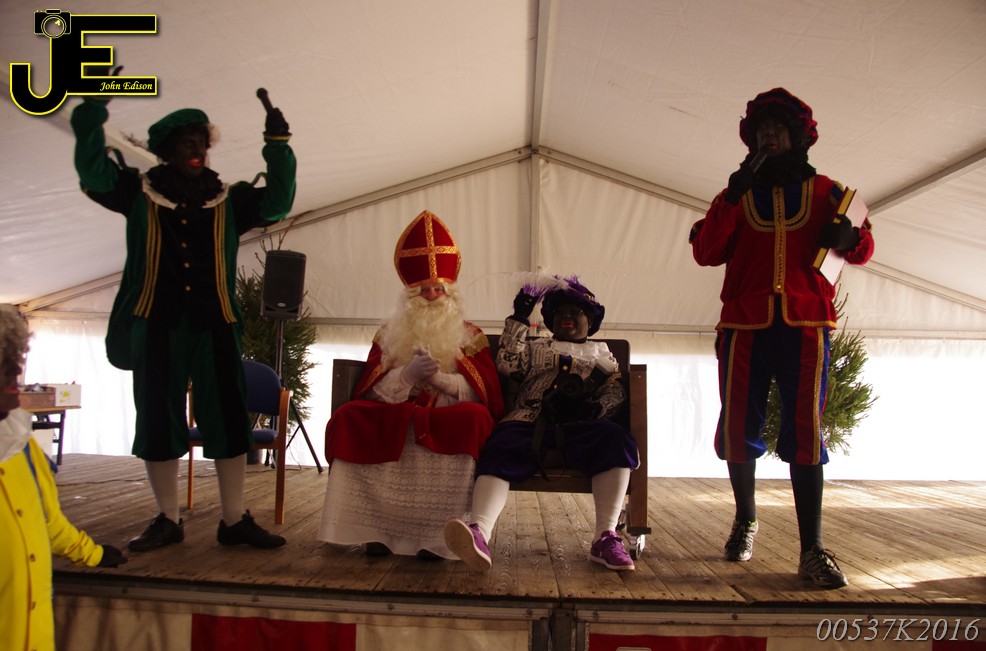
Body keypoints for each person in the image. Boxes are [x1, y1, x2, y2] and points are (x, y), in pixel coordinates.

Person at [70, 73, 296, 551]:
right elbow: (92, 171)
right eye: (186, 142)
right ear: (167, 151)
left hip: (216, 325)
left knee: (229, 416)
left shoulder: (229, 199)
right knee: (157, 417)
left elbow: (278, 202)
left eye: (201, 141)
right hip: (155, 324)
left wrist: (278, 147)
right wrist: (93, 109)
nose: (196, 149)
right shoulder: (137, 192)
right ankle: (167, 518)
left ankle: (233, 520)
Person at [689, 88, 875, 589]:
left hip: (805, 326)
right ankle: (745, 518)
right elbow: (705, 252)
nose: (768, 137)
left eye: (777, 130)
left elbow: (863, 243)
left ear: (797, 137)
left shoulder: (828, 191)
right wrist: (731, 198)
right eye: (761, 131)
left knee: (806, 433)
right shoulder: (736, 194)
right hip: (745, 326)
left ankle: (812, 548)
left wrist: (851, 239)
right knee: (737, 428)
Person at [318, 211, 504, 558]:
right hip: (396, 409)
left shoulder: (471, 336)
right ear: (409, 294)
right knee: (349, 416)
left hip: (446, 412)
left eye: (438, 289)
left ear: (450, 294)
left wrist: (441, 380)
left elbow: (485, 395)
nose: (431, 295)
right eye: (423, 290)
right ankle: (372, 531)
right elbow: (371, 390)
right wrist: (408, 375)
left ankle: (440, 540)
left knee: (474, 419)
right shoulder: (389, 334)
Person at [444, 276, 640, 572]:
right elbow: (507, 365)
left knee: (616, 440)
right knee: (501, 444)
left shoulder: (602, 354)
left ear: (590, 322)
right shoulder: (535, 347)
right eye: (559, 312)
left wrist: (595, 408)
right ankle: (479, 534)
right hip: (529, 419)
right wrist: (519, 319)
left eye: (575, 312)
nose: (566, 317)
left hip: (581, 424)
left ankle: (605, 537)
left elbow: (614, 390)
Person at [1, 304, 127, 651]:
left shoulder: (24, 447)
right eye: (3, 361)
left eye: (16, 357)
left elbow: (48, 522)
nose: (16, 370)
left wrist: (93, 554)